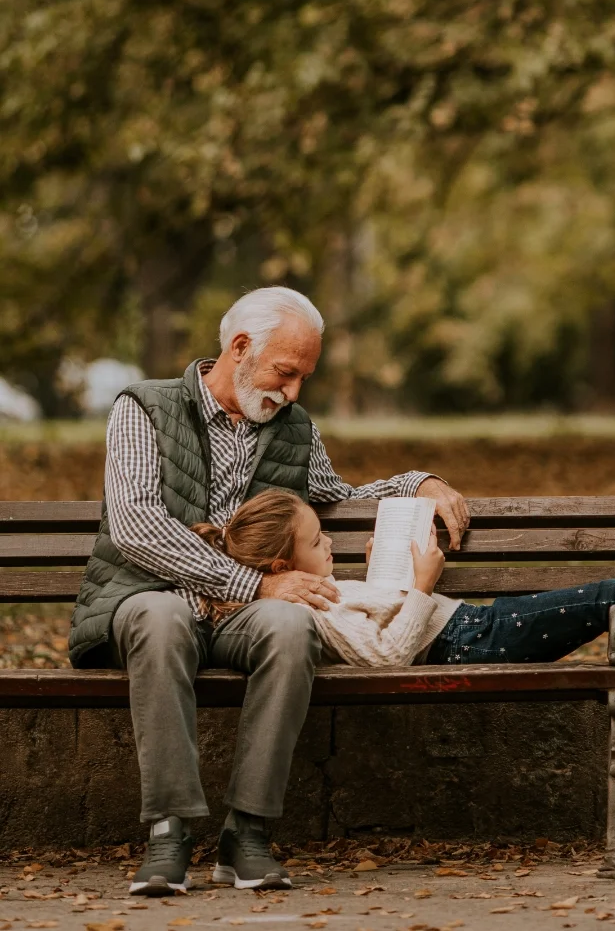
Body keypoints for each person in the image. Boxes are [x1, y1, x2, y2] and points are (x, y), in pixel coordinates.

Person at [69, 286, 469, 897]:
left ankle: (248, 832)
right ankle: (168, 833)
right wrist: (257, 582)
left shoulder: (293, 427)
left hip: (243, 615)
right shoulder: (141, 408)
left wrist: (421, 481)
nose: (293, 392)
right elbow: (135, 525)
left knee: (291, 625)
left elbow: (338, 495)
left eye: (303, 377)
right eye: (286, 373)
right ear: (239, 348)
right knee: (162, 618)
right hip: (147, 595)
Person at [198, 488, 615, 736]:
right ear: (279, 569)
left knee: (612, 596)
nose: (328, 544)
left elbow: (378, 623)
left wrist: (380, 575)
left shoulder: (316, 594)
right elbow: (388, 654)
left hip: (467, 629)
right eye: (317, 543)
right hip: (463, 642)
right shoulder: (308, 613)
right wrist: (421, 584)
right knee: (613, 594)